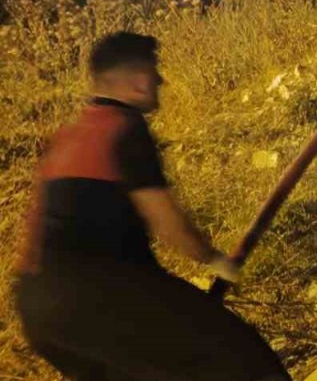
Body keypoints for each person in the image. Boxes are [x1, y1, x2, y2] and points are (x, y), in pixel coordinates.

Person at [13, 32, 289, 381]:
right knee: (246, 361)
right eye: (154, 70)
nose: (161, 79)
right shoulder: (123, 128)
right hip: (103, 294)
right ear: (139, 81)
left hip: (38, 311)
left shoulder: (69, 134)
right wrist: (217, 261)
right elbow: (170, 227)